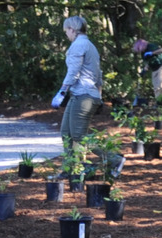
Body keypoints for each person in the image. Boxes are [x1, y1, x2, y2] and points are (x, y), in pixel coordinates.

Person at [55, 16, 121, 177]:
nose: (66, 35)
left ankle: (114, 159)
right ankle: (70, 168)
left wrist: (62, 91)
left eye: (66, 31)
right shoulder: (90, 45)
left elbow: (74, 71)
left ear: (72, 29)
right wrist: (99, 95)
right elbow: (98, 74)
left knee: (79, 135)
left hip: (83, 95)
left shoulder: (78, 45)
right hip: (82, 94)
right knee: (66, 132)